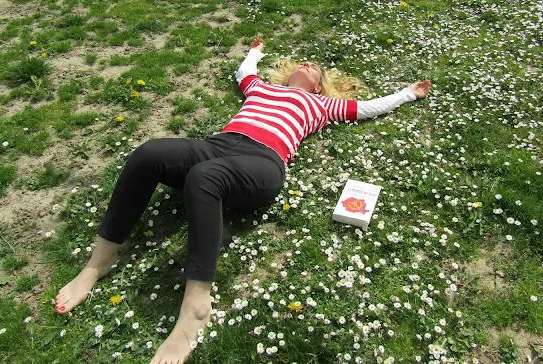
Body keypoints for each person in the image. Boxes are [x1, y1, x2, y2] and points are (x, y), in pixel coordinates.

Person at [54, 37, 431, 364]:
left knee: (205, 179)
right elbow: (244, 74)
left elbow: (367, 108)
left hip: (262, 162)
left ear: (319, 88)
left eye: (316, 68)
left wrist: (407, 94)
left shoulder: (320, 106)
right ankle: (100, 260)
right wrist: (255, 52)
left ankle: (197, 304)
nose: (309, 65)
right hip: (217, 145)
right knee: (148, 153)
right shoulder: (263, 89)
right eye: (305, 62)